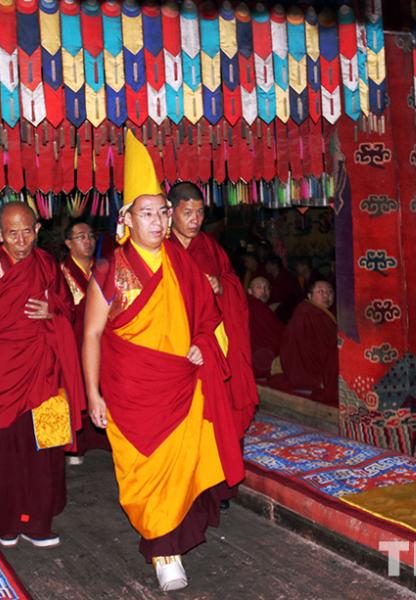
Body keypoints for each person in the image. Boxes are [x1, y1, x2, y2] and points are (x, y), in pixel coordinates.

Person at [81, 131, 244, 592]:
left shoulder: (180, 261)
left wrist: (202, 344)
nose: (157, 221)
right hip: (131, 390)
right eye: (146, 213)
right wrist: (93, 394)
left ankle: (169, 548)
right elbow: (91, 333)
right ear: (126, 219)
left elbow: (207, 318)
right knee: (145, 472)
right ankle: (163, 550)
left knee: (183, 466)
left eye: (162, 212)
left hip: (181, 384)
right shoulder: (110, 269)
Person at [0, 202, 85, 548]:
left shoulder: (47, 265)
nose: (21, 241)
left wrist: (52, 311)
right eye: (12, 233)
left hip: (40, 370)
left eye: (27, 231)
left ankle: (37, 521)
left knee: (40, 448)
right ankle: (3, 521)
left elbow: (68, 309)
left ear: (37, 229)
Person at [168, 181, 258, 434]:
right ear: (171, 212)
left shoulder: (210, 247)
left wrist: (220, 286)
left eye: (200, 213)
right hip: (174, 339)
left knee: (215, 404)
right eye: (188, 213)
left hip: (211, 340)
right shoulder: (161, 247)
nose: (195, 220)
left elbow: (233, 284)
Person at [59, 219, 109, 464]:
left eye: (90, 236)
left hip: (103, 340)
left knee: (105, 387)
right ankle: (76, 447)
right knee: (76, 390)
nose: (88, 241)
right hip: (74, 341)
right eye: (81, 237)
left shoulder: (103, 269)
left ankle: (106, 440)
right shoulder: (60, 272)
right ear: (69, 243)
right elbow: (59, 308)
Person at [274, 280, 338, 406]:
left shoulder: (323, 313)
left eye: (330, 292)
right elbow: (312, 346)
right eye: (321, 291)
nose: (326, 295)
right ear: (309, 296)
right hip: (308, 369)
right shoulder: (305, 314)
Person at [246, 276, 284, 378]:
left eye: (266, 288)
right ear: (250, 291)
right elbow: (279, 334)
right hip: (259, 360)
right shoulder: (255, 306)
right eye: (259, 287)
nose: (263, 291)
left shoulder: (260, 307)